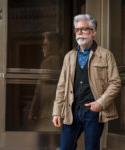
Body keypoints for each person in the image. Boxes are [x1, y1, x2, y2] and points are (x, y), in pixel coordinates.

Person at [52, 14, 121, 150]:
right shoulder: (69, 56)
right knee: (65, 147)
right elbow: (61, 86)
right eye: (77, 30)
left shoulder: (106, 55)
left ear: (93, 32)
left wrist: (100, 103)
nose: (80, 33)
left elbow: (115, 82)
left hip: (93, 112)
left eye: (84, 29)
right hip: (71, 111)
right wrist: (56, 111)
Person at [28, 32, 63, 131]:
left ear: (52, 46)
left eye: (45, 45)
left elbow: (39, 90)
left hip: (47, 112)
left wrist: (32, 111)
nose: (42, 48)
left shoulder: (47, 63)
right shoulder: (65, 60)